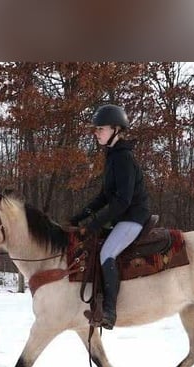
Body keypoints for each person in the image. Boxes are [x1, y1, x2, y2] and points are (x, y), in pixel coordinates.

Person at [69, 104, 150, 329]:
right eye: (96, 129)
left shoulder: (123, 158)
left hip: (133, 217)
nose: (96, 133)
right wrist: (80, 216)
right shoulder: (113, 157)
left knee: (107, 253)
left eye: (100, 129)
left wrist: (94, 224)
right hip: (122, 217)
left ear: (116, 129)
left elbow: (122, 201)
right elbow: (105, 196)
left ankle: (109, 311)